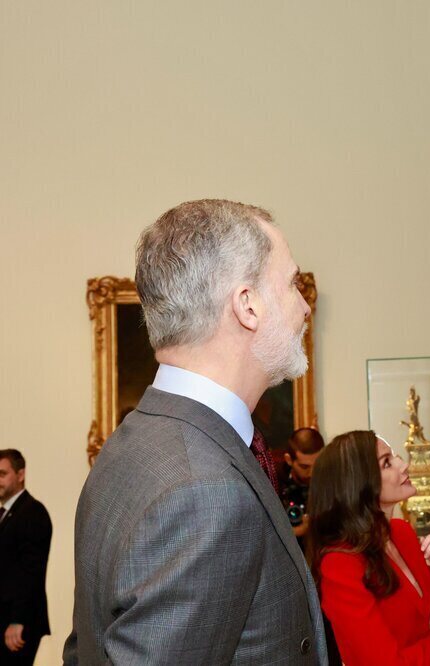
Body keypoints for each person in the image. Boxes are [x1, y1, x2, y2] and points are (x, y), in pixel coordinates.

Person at [64, 199, 328, 664]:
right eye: (291, 284)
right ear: (247, 305)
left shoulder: (130, 444)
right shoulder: (204, 491)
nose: (305, 307)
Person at [307, 430, 430, 665]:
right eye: (387, 463)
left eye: (394, 457)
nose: (403, 465)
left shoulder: (402, 533)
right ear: (359, 484)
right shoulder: (339, 564)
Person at [0, 450, 52, 665]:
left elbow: (31, 571)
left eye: (2, 474)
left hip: (17, 624)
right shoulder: (6, 513)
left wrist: (17, 621)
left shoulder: (32, 512)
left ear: (20, 475)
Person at [279, 427, 326, 541]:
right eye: (304, 467)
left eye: (317, 464)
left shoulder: (332, 480)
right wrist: (295, 532)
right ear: (289, 460)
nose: (312, 473)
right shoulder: (273, 481)